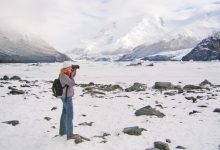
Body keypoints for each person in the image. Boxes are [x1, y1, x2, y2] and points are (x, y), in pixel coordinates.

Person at [59, 61, 80, 140]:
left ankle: (62, 132)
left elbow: (72, 76)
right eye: (70, 67)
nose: (71, 69)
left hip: (65, 97)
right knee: (69, 116)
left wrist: (74, 70)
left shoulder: (64, 74)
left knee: (64, 114)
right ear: (66, 68)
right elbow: (72, 83)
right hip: (67, 98)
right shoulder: (63, 76)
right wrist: (71, 74)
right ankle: (70, 135)